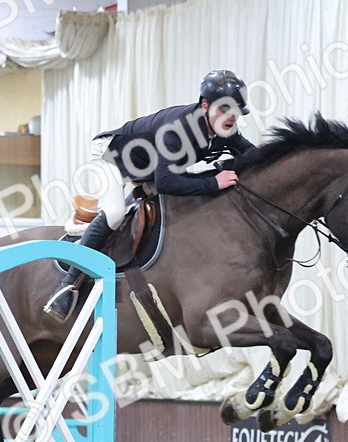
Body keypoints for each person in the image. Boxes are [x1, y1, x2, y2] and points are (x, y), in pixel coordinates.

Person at [43, 69, 257, 322]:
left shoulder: (224, 129)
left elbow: (254, 157)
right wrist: (213, 181)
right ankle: (67, 285)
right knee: (114, 214)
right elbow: (166, 182)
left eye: (235, 112)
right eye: (224, 111)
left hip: (151, 169)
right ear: (205, 105)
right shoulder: (176, 130)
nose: (230, 118)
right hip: (113, 157)